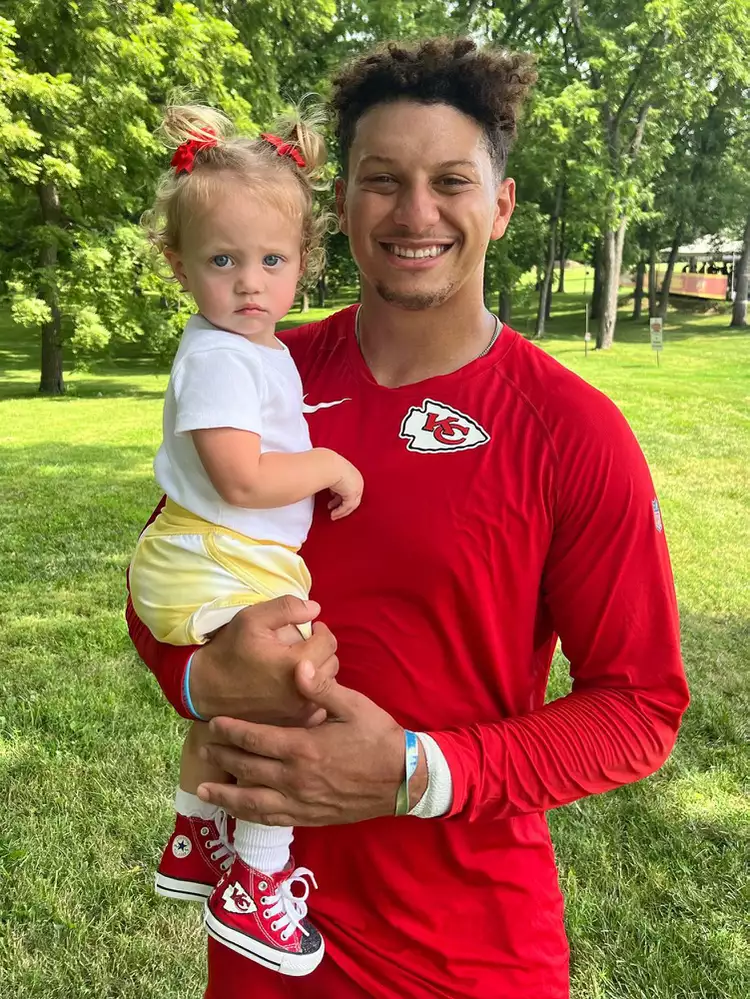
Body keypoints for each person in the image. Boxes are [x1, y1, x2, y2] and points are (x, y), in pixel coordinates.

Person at [127, 37, 690, 999]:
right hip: (266, 931)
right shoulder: (260, 367)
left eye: (452, 180)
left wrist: (416, 771)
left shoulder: (570, 429)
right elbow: (175, 565)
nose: (416, 211)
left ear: (501, 206)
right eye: (381, 180)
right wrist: (197, 676)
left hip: (463, 948)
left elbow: (640, 708)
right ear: (338, 207)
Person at [128, 101, 363, 976]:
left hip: (215, 551)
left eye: (272, 260)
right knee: (292, 687)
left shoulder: (255, 346)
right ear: (179, 263)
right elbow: (241, 477)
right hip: (214, 547)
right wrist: (330, 463)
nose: (251, 283)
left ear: (304, 262)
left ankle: (196, 833)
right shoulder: (224, 355)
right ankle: (256, 881)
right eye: (224, 261)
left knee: (249, 690)